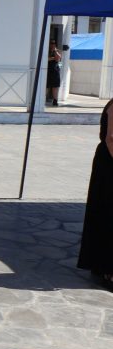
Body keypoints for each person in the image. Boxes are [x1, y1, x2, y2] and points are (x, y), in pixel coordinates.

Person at [78, 98, 113, 290]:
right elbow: (111, 138)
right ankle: (109, 271)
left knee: (104, 213)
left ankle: (99, 264)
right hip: (109, 163)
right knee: (108, 214)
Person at [46, 39, 62, 106]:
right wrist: (53, 58)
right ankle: (43, 99)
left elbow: (58, 58)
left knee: (55, 86)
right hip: (47, 70)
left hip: (55, 71)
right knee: (46, 86)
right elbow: (46, 59)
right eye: (51, 43)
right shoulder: (46, 50)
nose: (52, 45)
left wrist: (55, 51)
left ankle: (55, 100)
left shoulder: (57, 51)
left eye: (54, 43)